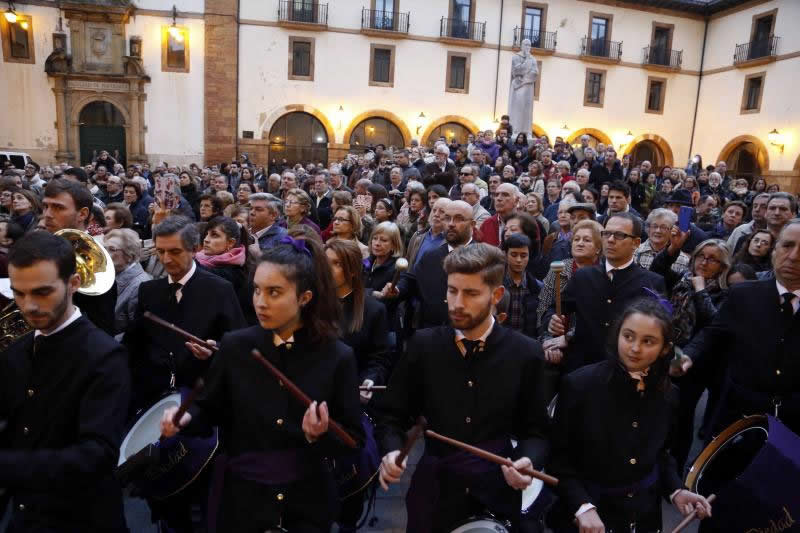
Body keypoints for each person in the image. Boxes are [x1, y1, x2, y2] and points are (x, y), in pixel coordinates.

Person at [160, 235, 365, 532]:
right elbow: (210, 409)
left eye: (274, 293)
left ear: (304, 298)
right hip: (241, 498)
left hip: (306, 502)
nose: (260, 302)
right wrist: (186, 418)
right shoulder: (235, 345)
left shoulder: (337, 356)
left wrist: (320, 436)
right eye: (257, 290)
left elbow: (353, 440)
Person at [376, 243, 549, 532]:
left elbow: (537, 431)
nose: (457, 303)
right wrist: (392, 451)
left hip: (496, 489)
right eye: (451, 290)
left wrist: (526, 460)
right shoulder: (423, 345)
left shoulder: (525, 352)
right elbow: (392, 416)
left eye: (470, 293)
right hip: (435, 490)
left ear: (496, 295)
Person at [1, 231, 131, 532]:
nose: (28, 305)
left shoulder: (106, 356)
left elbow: (97, 455)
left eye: (42, 292)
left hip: (82, 519)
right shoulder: (17, 350)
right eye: (19, 293)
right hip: (25, 515)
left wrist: (8, 466)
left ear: (73, 284)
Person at [548, 298, 712, 532]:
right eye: (628, 336)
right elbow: (558, 460)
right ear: (617, 336)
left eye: (648, 341)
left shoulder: (669, 395)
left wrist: (676, 490)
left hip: (644, 514)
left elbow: (661, 454)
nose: (635, 348)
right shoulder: (579, 385)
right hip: (589, 516)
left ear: (665, 348)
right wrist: (582, 506)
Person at [678, 219, 800, 438]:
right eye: (787, 246)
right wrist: (688, 355)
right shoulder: (744, 294)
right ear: (775, 251)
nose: (793, 256)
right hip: (736, 419)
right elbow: (713, 332)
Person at [546, 212, 666, 373]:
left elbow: (659, 331)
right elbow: (555, 308)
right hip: (581, 369)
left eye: (619, 235)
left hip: (626, 371)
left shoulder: (652, 282)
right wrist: (552, 320)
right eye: (606, 234)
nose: (610, 240)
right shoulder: (584, 276)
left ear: (636, 243)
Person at [380, 201, 474, 329]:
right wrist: (398, 288)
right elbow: (412, 280)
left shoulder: (485, 258)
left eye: (459, 219)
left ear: (472, 224)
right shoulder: (431, 256)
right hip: (429, 333)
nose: (451, 224)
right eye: (447, 218)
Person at [42, 179, 118, 335]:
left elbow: (101, 331)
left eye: (58, 207)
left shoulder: (96, 266)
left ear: (82, 214)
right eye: (45, 206)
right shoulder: (41, 244)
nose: (47, 215)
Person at [196, 216, 252, 315]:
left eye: (214, 235)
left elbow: (199, 272)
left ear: (230, 242)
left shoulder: (234, 272)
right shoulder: (200, 258)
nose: (206, 240)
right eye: (206, 234)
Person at [105, 228, 152, 336]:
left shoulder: (140, 286)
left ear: (130, 256)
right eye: (104, 248)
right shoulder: (109, 275)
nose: (105, 254)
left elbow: (136, 334)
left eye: (112, 249)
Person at [502, 233, 542, 338]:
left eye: (523, 255)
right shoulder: (495, 285)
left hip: (527, 344)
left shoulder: (537, 287)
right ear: (505, 255)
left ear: (529, 256)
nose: (519, 260)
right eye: (514, 255)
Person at [635, 208, 690, 275]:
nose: (658, 231)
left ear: (672, 230)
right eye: (655, 226)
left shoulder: (683, 260)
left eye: (663, 227)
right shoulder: (633, 252)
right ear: (648, 228)